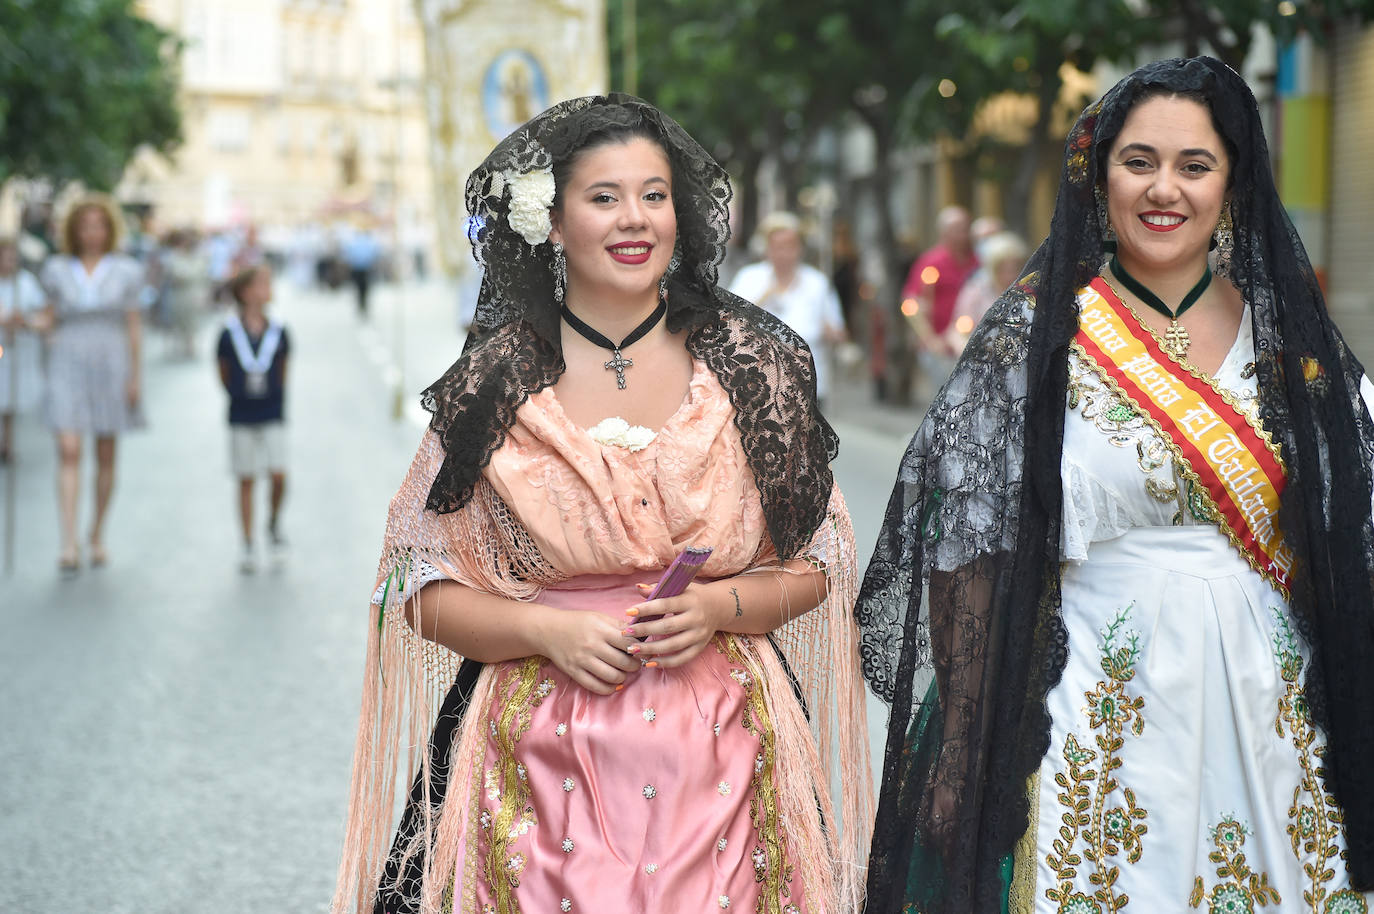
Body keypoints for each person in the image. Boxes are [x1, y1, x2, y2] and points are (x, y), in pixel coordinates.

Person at [857, 57, 1374, 912]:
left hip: (1265, 706)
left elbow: (1344, 533)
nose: (1163, 189)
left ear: (1234, 183)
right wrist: (962, 742)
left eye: (1194, 166)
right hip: (1085, 694)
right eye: (1139, 162)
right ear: (1099, 176)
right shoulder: (1036, 334)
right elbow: (963, 541)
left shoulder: (1291, 343)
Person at [332, 94, 871, 914]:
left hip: (727, 750)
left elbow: (818, 564)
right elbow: (419, 592)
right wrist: (545, 628)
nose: (636, 219)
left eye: (654, 195)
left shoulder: (750, 366)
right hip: (535, 761)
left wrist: (721, 605)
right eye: (604, 196)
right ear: (551, 222)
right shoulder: (495, 380)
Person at [40, 196, 145, 574]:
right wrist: (21, 322)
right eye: (85, 225)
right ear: (74, 229)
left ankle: (96, 532)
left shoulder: (127, 270)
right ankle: (68, 540)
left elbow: (134, 326)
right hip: (68, 357)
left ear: (109, 229)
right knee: (68, 449)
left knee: (105, 452)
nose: (92, 233)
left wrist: (135, 375)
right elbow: (47, 319)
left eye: (99, 225)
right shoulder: (55, 269)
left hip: (111, 359)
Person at [729, 212, 848, 406]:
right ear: (767, 248)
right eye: (777, 247)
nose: (783, 253)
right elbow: (730, 324)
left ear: (799, 248)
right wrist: (764, 296)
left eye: (789, 246)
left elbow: (839, 332)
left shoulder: (817, 283)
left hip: (808, 386)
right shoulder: (749, 278)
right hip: (760, 385)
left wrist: (831, 333)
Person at [216, 265, 289, 573]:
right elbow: (223, 373)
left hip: (272, 412)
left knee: (277, 474)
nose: (267, 289)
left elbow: (284, 371)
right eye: (261, 284)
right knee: (246, 477)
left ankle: (272, 522)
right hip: (241, 414)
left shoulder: (280, 331)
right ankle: (247, 540)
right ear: (245, 292)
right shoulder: (228, 334)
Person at [900, 206, 978, 387]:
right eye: (958, 230)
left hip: (969, 343)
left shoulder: (977, 261)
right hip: (937, 346)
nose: (964, 235)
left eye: (966, 229)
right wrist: (929, 338)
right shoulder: (930, 262)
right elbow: (912, 302)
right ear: (944, 232)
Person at [0, 237, 46, 462]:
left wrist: (24, 321)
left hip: (16, 348)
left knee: (8, 399)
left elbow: (42, 314)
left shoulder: (26, 283)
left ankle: (7, 443)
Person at [946, 231, 1029, 354]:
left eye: (1015, 268)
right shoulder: (975, 291)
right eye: (1002, 268)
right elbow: (957, 332)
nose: (1009, 274)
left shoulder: (1028, 293)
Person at [160, 228, 211, 359]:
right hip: (178, 295)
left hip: (193, 295)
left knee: (192, 323)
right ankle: (179, 345)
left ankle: (190, 345)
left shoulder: (198, 256)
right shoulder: (173, 256)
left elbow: (200, 275)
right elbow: (178, 274)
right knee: (178, 322)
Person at [341, 224, 381, 317]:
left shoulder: (353, 243)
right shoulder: (370, 242)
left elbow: (347, 256)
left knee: (358, 289)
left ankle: (361, 306)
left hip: (357, 269)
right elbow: (376, 255)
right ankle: (364, 306)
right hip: (366, 269)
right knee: (366, 289)